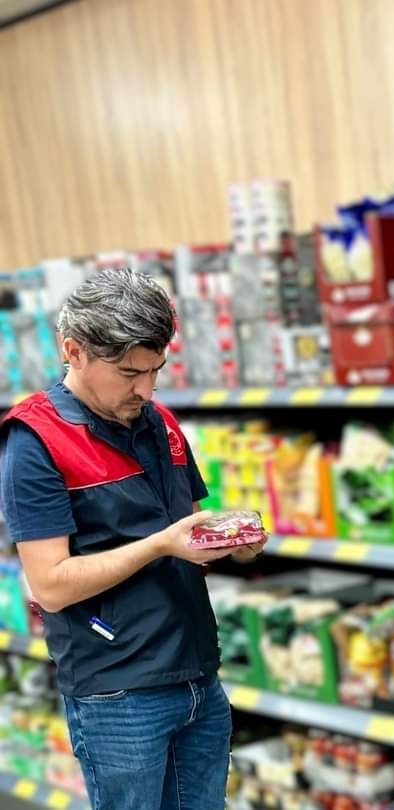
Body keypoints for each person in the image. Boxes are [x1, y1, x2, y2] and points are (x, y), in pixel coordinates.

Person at [0, 268, 264, 810]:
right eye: (127, 373)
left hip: (197, 675)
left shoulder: (158, 421)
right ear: (73, 351)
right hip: (118, 693)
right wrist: (160, 544)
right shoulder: (33, 442)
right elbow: (49, 585)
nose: (146, 388)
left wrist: (228, 540)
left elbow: (188, 535)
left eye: (155, 370)